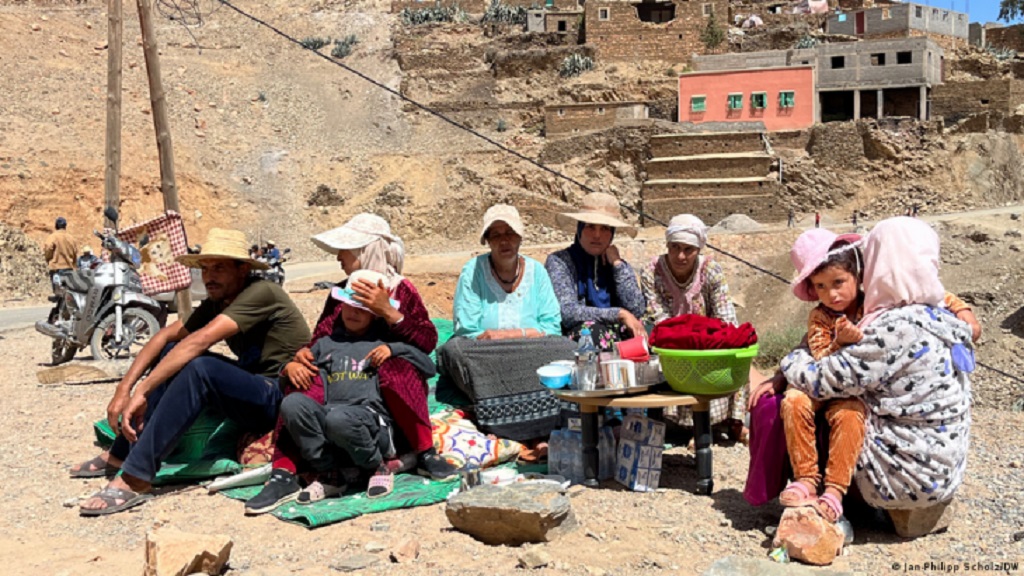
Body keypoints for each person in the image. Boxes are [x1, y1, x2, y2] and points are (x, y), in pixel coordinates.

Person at [70, 228, 311, 516]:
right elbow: (163, 338)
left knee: (201, 367)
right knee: (169, 354)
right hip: (251, 385)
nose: (209, 276)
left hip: (280, 393)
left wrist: (144, 391)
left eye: (219, 267)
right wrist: (124, 389)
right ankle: (120, 454)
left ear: (243, 269)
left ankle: (137, 476)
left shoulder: (262, 292)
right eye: (205, 268)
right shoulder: (218, 301)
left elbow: (200, 341)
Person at [246, 214, 454, 515]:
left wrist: (389, 314)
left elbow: (426, 340)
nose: (340, 258)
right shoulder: (343, 291)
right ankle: (285, 471)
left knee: (396, 369)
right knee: (302, 379)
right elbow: (323, 336)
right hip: (343, 382)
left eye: (347, 251)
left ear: (366, 252)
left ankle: (424, 451)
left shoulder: (401, 289)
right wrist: (301, 357)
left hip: (385, 393)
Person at [777, 217, 973, 528]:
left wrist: (788, 362)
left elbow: (821, 379)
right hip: (943, 469)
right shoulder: (938, 314)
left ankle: (826, 496)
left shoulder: (892, 327)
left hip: (905, 478)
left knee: (817, 406)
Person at [277, 270, 437, 504]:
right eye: (348, 305)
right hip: (332, 419)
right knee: (292, 404)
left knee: (339, 419)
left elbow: (428, 366)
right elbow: (296, 369)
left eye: (363, 308)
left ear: (375, 314)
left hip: (371, 424)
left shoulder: (384, 343)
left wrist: (395, 350)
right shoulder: (326, 344)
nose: (353, 312)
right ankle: (329, 473)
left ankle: (377, 468)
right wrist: (289, 367)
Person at [437, 205, 573, 442]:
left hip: (530, 350)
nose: (504, 241)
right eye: (496, 235)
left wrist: (506, 336)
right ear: (487, 241)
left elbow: (552, 327)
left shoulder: (537, 272)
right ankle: (509, 425)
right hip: (488, 354)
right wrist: (516, 337)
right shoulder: (472, 270)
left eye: (510, 233)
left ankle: (540, 426)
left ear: (520, 237)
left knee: (567, 347)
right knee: (454, 350)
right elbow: (467, 328)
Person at [777, 229, 869, 522]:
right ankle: (805, 479)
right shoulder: (820, 316)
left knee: (851, 413)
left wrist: (959, 307)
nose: (832, 294)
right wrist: (839, 343)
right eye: (821, 286)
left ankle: (835, 491)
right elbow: (819, 356)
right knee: (793, 400)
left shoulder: (872, 306)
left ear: (856, 274)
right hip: (822, 387)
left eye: (839, 282)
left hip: (852, 393)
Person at [640, 214, 748, 438]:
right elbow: (658, 317)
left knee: (737, 352)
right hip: (672, 344)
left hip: (706, 343)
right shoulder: (652, 272)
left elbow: (725, 316)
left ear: (698, 250)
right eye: (675, 247)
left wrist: (705, 338)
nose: (680, 256)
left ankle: (727, 422)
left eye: (688, 249)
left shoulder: (711, 271)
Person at [545, 192, 646, 350]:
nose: (597, 235)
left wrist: (618, 265)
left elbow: (637, 309)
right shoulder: (559, 261)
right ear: (579, 229)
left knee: (648, 330)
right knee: (593, 334)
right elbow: (567, 313)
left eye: (605, 228)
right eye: (590, 227)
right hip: (582, 338)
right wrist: (619, 314)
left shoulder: (615, 264)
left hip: (616, 332)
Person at [44, 216, 77, 291]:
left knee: (58, 292)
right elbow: (75, 253)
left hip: (57, 269)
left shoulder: (53, 237)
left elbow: (48, 248)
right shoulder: (71, 238)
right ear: (65, 226)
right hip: (69, 269)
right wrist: (74, 266)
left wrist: (48, 259)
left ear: (56, 226)